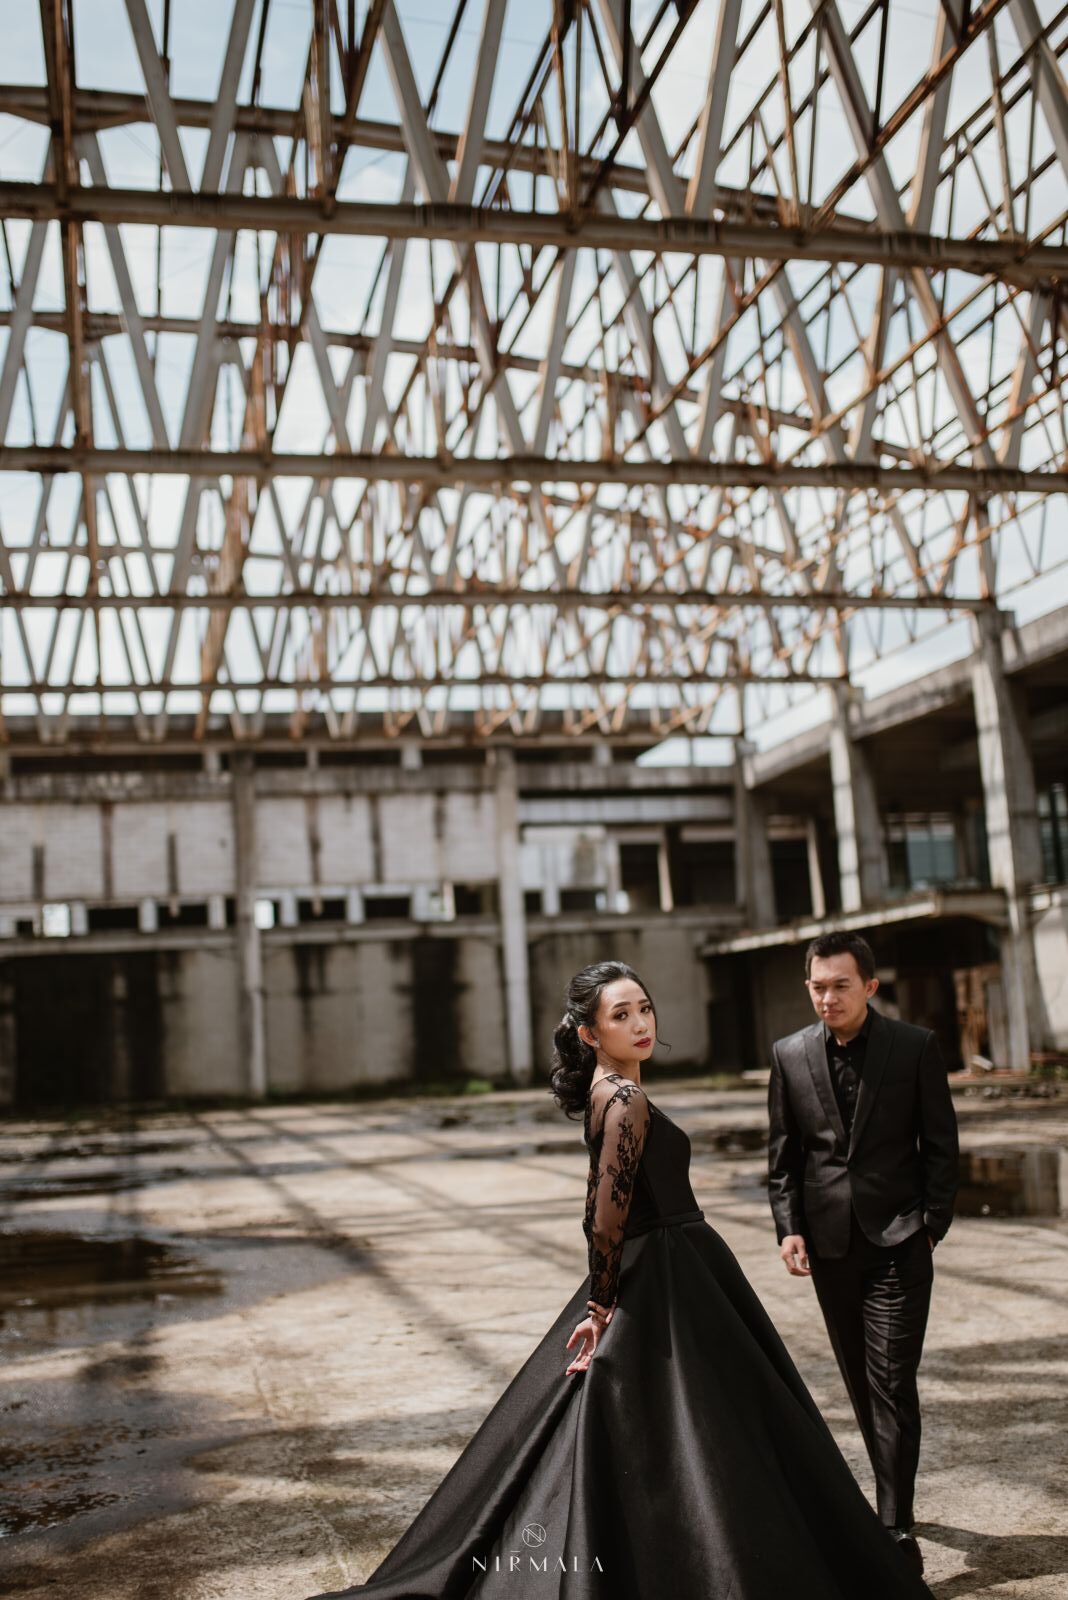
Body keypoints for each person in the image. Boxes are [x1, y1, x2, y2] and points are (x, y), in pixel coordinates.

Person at [309, 959, 932, 1599]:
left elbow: (602, 1207)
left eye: (644, 1008)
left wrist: (604, 1292)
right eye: (621, 1015)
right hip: (665, 1271)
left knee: (691, 1427)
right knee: (705, 1428)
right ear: (589, 1033)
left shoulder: (610, 1092)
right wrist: (602, 1304)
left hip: (675, 1267)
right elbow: (604, 1216)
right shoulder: (625, 1099)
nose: (640, 1024)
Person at [768, 931, 960, 1578]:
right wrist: (789, 1228)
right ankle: (891, 1499)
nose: (828, 998)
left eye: (840, 986)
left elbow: (941, 1144)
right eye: (818, 987)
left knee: (892, 1382)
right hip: (829, 1248)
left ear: (870, 986)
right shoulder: (789, 1055)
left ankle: (896, 1527)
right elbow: (784, 1157)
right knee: (859, 1380)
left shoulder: (914, 1047)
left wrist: (931, 1225)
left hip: (901, 1241)